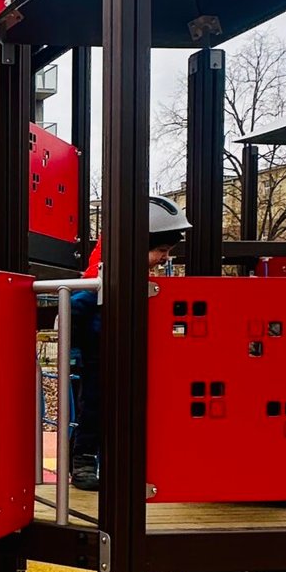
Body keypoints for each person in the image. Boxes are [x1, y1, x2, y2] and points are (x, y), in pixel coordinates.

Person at [68, 195, 190, 491]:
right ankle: (83, 463)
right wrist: (77, 351)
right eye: (161, 251)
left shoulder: (138, 282)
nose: (165, 258)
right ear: (138, 246)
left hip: (126, 355)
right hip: (100, 358)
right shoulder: (100, 283)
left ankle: (107, 463)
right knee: (95, 410)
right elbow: (73, 310)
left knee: (122, 413)